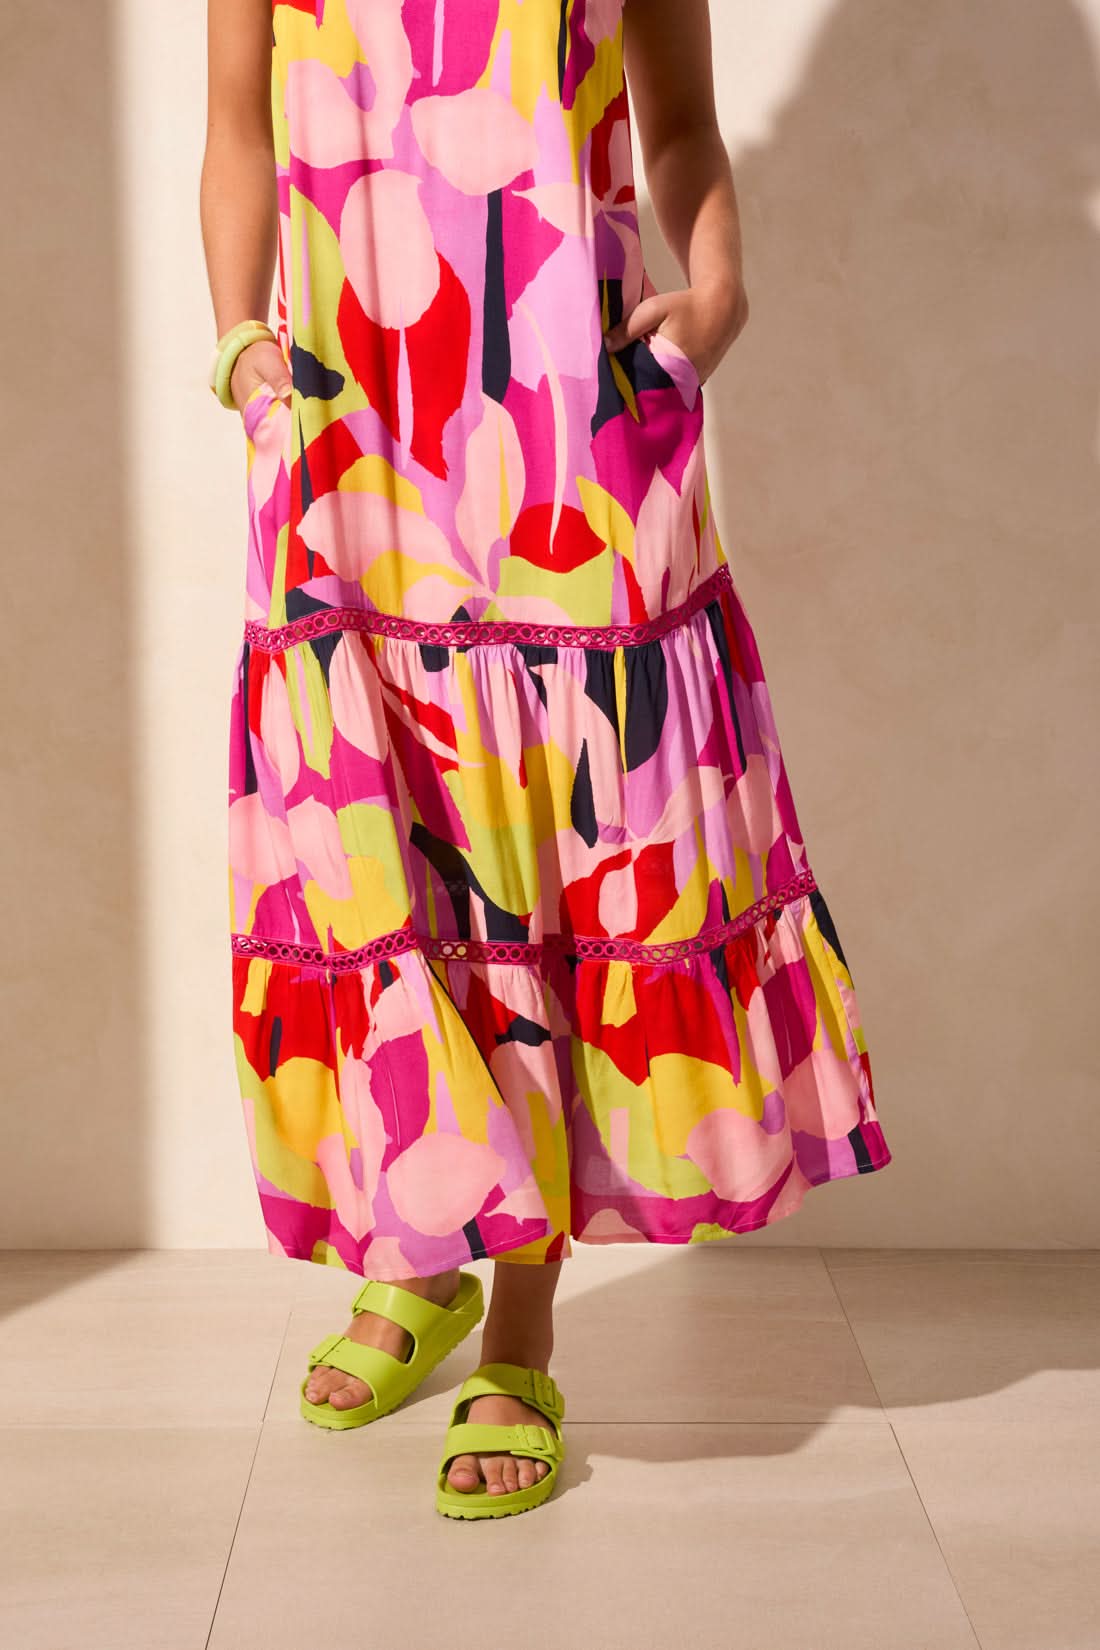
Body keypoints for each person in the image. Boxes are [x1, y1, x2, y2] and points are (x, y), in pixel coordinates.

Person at [200, 0, 892, 1520]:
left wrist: (714, 303)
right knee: (388, 845)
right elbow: (239, 125)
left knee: (553, 849)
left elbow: (686, 128)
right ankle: (429, 1250)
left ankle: (520, 1321)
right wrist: (244, 346)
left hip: (565, 443)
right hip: (347, 446)